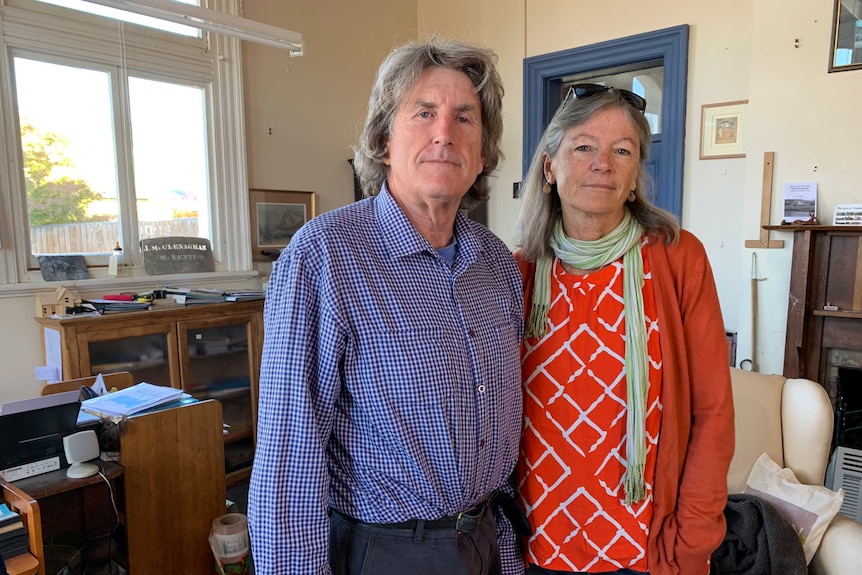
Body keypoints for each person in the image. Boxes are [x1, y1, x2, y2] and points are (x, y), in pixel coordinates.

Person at [248, 37, 525, 575]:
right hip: (390, 552)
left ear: (483, 152)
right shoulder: (324, 255)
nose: (445, 134)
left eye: (465, 118)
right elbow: (288, 461)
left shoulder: (494, 260)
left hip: (491, 538)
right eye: (424, 113)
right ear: (383, 138)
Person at [511, 84, 734, 575]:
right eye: (584, 146)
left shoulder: (679, 259)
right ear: (550, 167)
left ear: (635, 175)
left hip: (644, 552)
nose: (602, 163)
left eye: (622, 151)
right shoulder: (516, 272)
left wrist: (692, 540)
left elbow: (712, 412)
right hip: (535, 547)